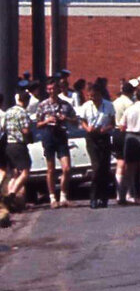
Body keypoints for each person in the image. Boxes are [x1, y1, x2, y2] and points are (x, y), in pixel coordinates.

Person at [34, 80, 75, 208]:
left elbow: (75, 120)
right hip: (49, 135)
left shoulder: (66, 104)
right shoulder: (42, 105)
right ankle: (52, 198)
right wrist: (47, 121)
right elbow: (37, 124)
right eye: (49, 89)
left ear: (59, 89)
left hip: (61, 135)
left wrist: (66, 118)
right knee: (51, 169)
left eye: (54, 88)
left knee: (67, 168)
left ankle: (63, 195)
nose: (52, 91)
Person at [76, 80, 116, 208]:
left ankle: (103, 197)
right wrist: (87, 128)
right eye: (90, 96)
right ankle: (93, 197)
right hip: (91, 137)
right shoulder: (86, 106)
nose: (93, 98)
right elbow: (82, 121)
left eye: (95, 96)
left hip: (103, 136)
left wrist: (106, 128)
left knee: (105, 168)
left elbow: (112, 122)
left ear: (100, 94)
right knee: (96, 167)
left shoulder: (108, 105)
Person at [1, 89, 31, 212]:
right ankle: (12, 194)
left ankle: (9, 198)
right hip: (19, 145)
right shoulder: (23, 113)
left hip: (8, 145)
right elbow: (25, 130)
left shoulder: (8, 112)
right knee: (25, 171)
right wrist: (29, 137)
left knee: (14, 173)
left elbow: (3, 128)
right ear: (26, 101)